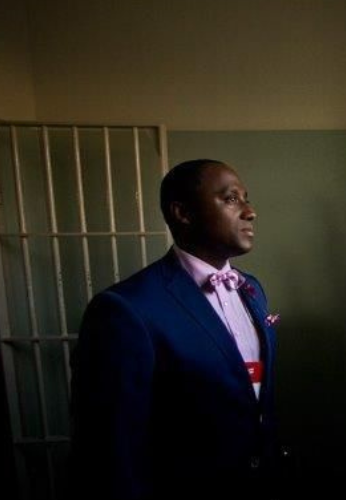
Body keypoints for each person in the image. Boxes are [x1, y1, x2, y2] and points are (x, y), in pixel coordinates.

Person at [68, 159, 280, 499]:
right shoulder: (125, 309)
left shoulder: (251, 289)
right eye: (230, 199)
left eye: (246, 198)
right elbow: (109, 446)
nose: (250, 211)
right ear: (182, 213)